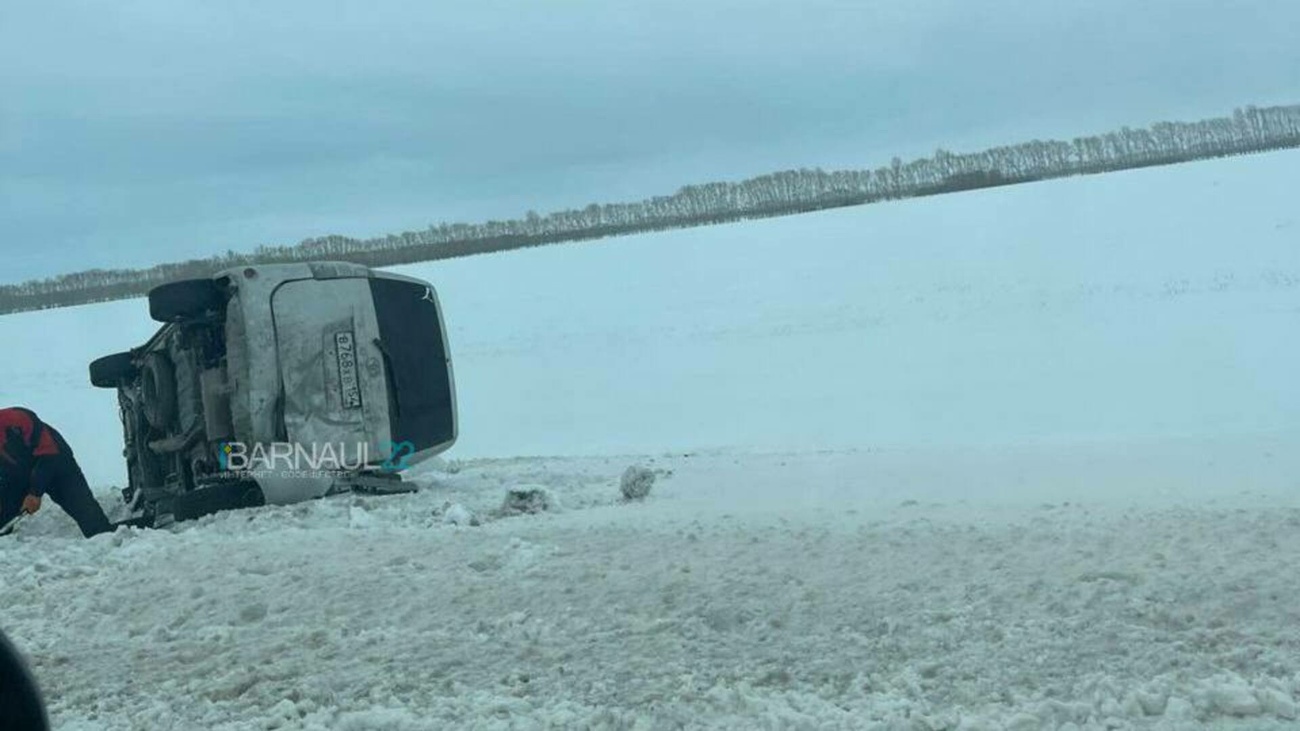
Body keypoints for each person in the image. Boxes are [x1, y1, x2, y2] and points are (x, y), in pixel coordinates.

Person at [0, 407, 112, 538]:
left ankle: (109, 542)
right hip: (16, 474)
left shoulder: (16, 419)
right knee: (4, 516)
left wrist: (35, 493)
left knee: (89, 516)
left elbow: (49, 454)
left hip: (57, 466)